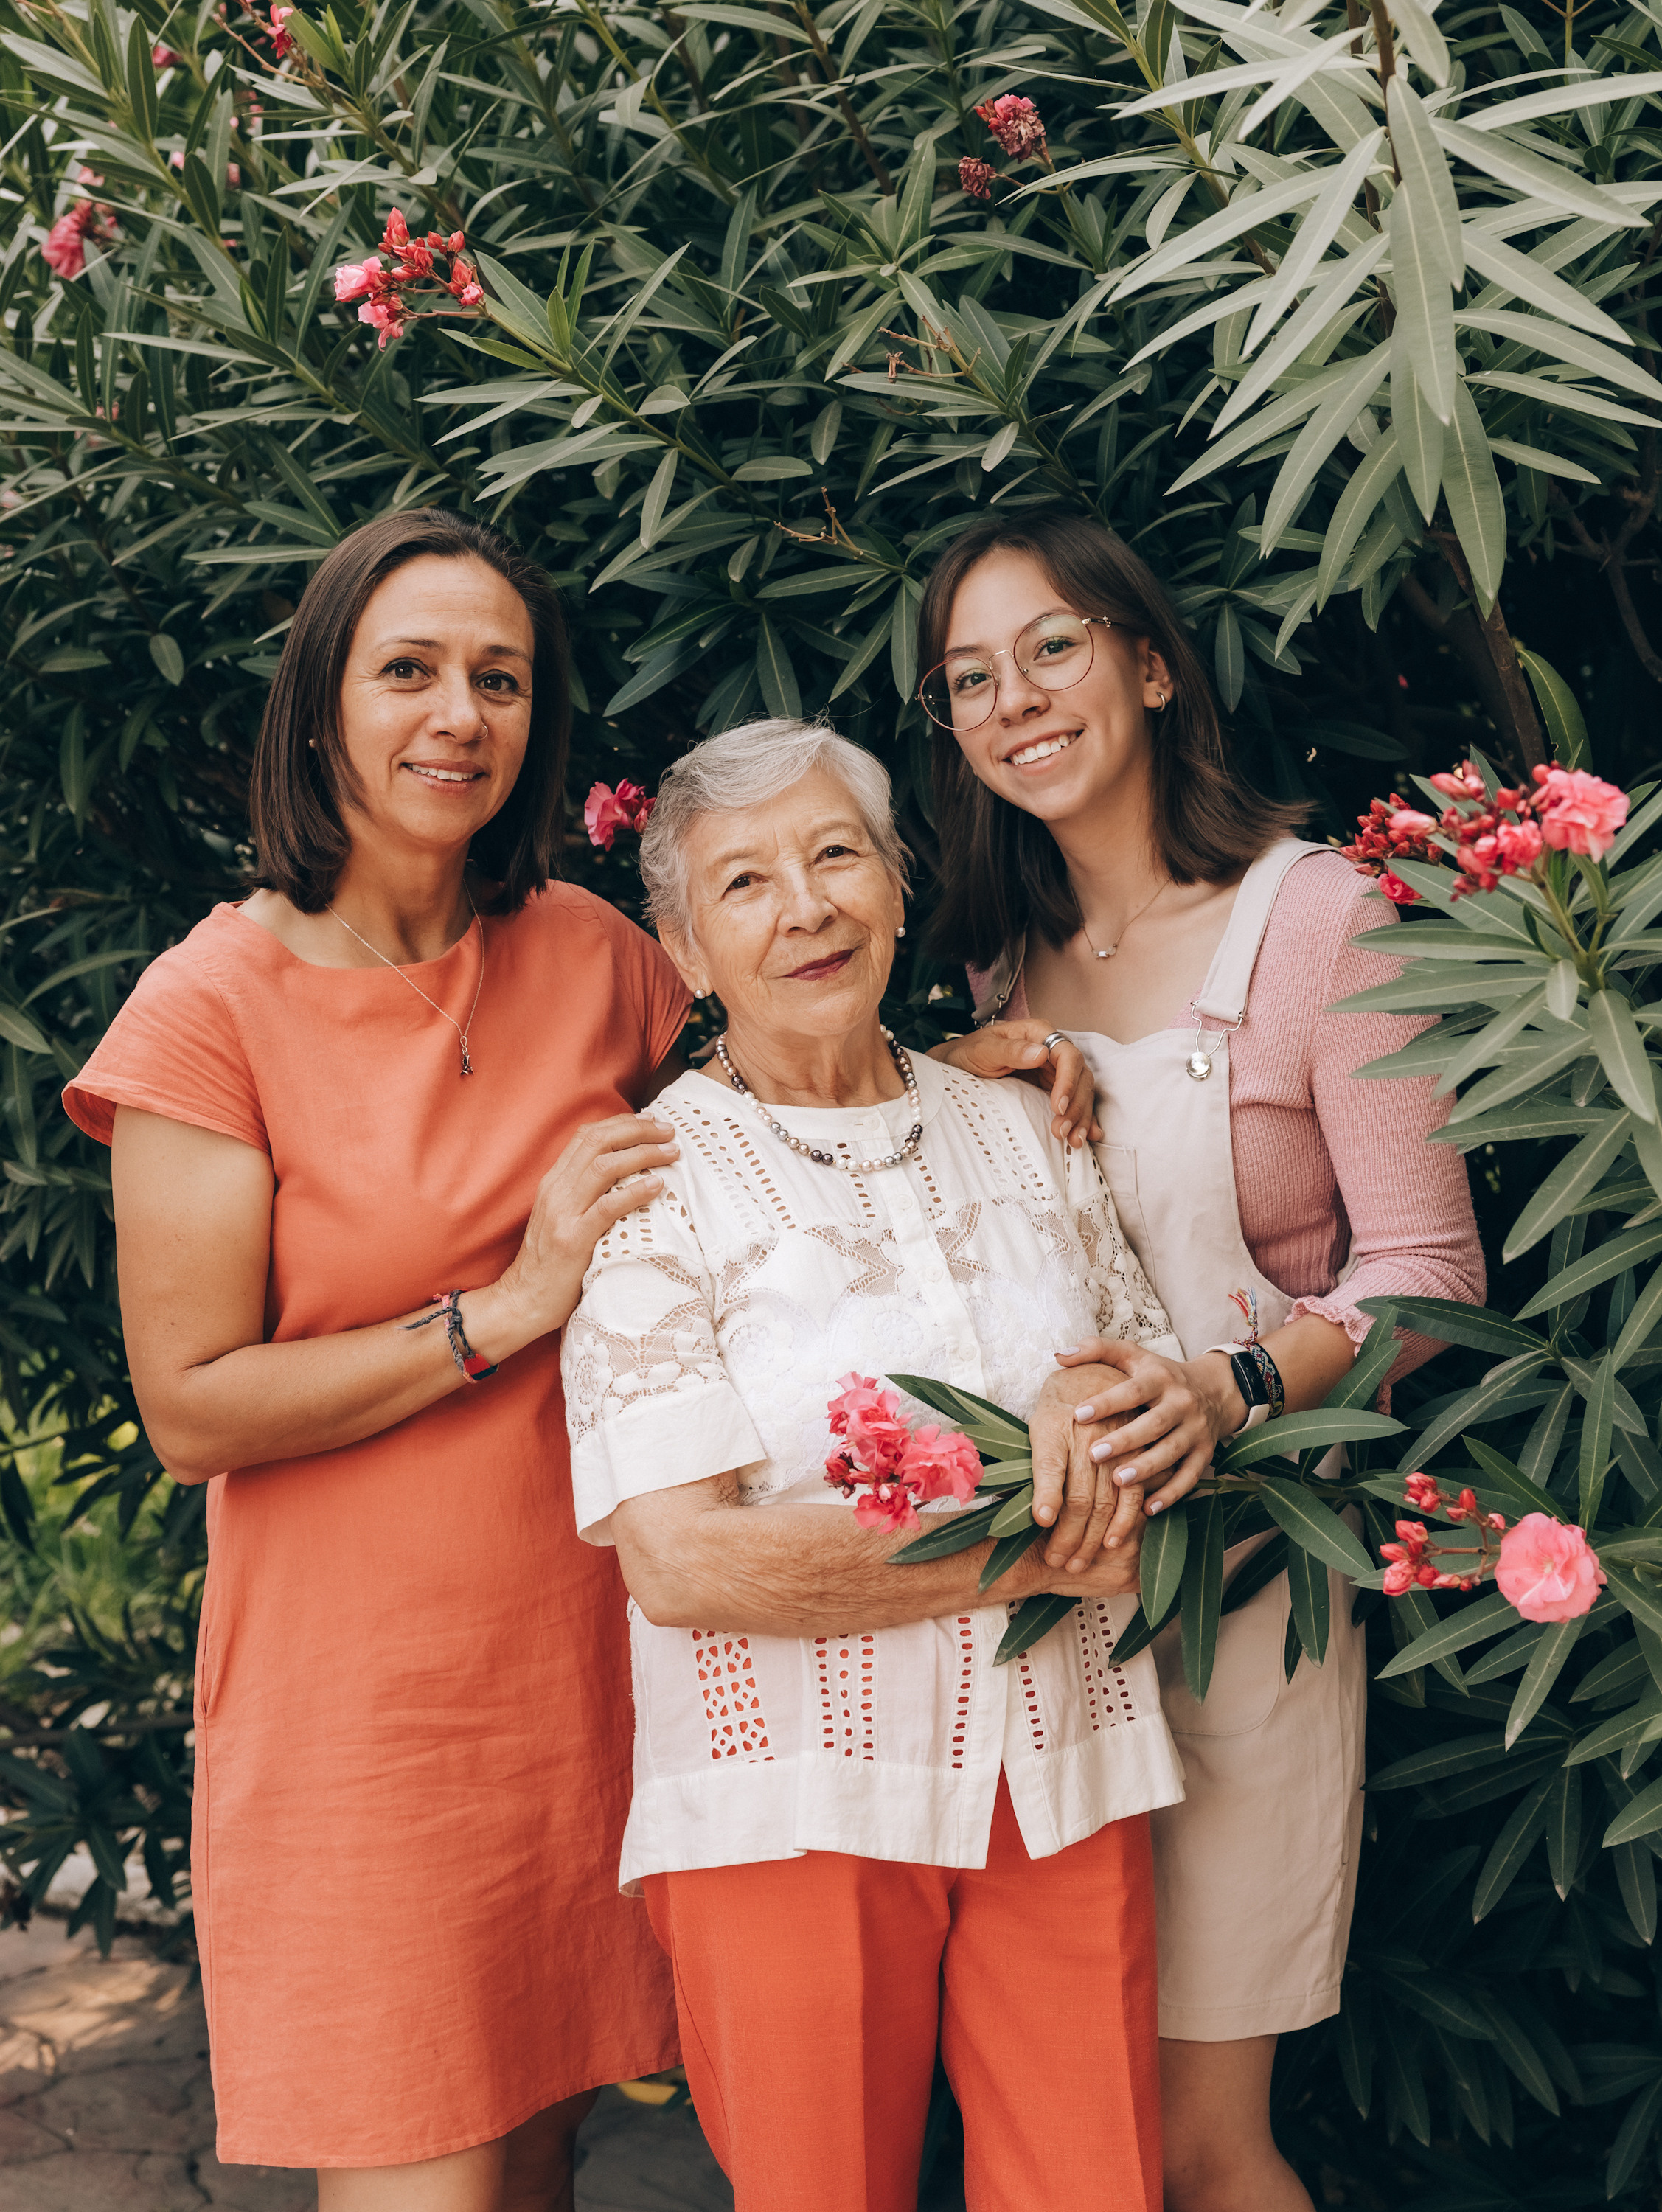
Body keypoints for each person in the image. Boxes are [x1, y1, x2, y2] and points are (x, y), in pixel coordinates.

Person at [60, 509, 701, 2209]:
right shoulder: (212, 1008)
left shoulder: (601, 961)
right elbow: (194, 1405)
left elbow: (784, 1117)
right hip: (370, 1709)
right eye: (407, 670)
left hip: (584, 1665)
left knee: (545, 2160)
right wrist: (508, 1307)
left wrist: (986, 1071)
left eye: (498, 679)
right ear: (322, 707)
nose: (457, 716)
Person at [918, 509, 1485, 2212]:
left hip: (1251, 1597)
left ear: (1150, 665)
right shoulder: (989, 964)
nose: (1010, 698)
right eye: (966, 678)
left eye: (1050, 648)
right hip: (1049, 1608)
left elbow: (1425, 1272)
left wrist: (1232, 1392)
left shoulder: (1316, 921)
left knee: (1200, 2144)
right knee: (1067, 2133)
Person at [560, 717, 1187, 2212]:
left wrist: (1109, 1407)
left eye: (835, 853)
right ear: (688, 951)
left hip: (1061, 1770)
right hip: (789, 1810)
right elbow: (680, 1561)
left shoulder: (1023, 1124)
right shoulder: (653, 1184)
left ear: (899, 885)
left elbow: (1146, 1370)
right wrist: (1028, 1551)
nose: (807, 906)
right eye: (746, 883)